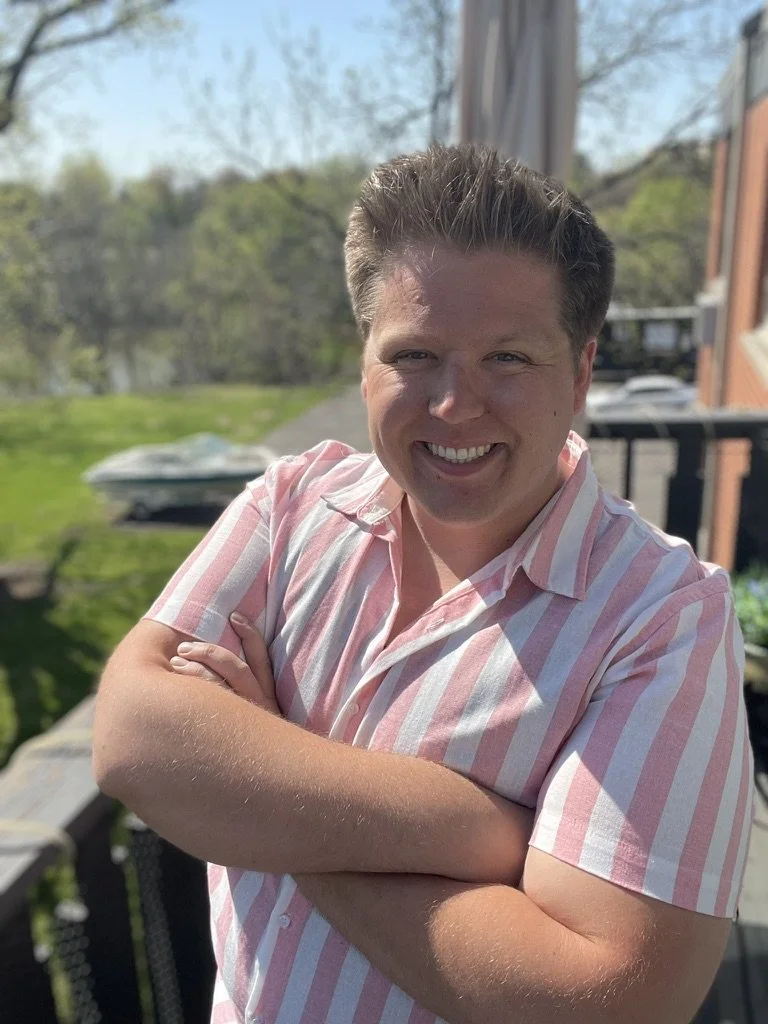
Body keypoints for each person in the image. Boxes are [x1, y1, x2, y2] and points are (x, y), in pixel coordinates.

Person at [93, 144, 755, 1024]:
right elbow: (133, 736)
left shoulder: (662, 618)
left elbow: (609, 999)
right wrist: (478, 829)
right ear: (365, 361)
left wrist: (257, 778)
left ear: (582, 371)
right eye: (415, 356)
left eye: (508, 359)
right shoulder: (290, 507)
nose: (454, 405)